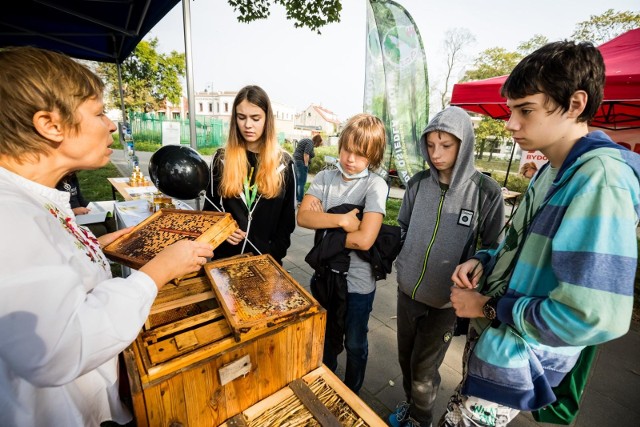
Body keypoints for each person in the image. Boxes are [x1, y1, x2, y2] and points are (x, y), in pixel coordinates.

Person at [0, 46, 214, 427]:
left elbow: (43, 269)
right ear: (51, 125)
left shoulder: (26, 200)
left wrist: (97, 247)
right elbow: (57, 349)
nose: (112, 124)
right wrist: (159, 270)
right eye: (99, 113)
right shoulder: (9, 214)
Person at [442, 40, 640, 426]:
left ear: (576, 104)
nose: (511, 123)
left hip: (520, 353)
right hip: (499, 346)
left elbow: (593, 316)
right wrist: (483, 261)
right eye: (511, 110)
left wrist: (486, 306)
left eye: (526, 110)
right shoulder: (553, 168)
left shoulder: (601, 181)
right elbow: (519, 246)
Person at [390, 107, 505, 427]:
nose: (436, 153)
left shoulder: (486, 191)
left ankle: (420, 418)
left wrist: (478, 261)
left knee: (424, 371)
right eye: (430, 145)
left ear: (464, 144)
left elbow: (494, 246)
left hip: (446, 302)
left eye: (446, 145)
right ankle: (411, 406)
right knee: (405, 361)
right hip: (407, 291)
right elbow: (402, 226)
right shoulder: (416, 183)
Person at [297, 113, 388, 395]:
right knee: (325, 339)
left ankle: (352, 393)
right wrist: (342, 221)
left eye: (361, 154)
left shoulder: (375, 185)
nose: (351, 159)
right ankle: (325, 387)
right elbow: (303, 218)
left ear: (372, 156)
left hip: (358, 285)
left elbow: (365, 240)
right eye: (348, 149)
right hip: (324, 277)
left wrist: (325, 227)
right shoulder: (325, 177)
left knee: (355, 343)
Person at [203, 85, 296, 265]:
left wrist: (273, 254)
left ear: (267, 119)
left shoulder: (284, 163)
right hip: (225, 260)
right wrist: (223, 231)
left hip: (266, 262)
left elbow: (287, 221)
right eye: (241, 117)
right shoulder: (221, 159)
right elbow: (210, 209)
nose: (248, 125)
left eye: (255, 118)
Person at [56, 171, 116, 236]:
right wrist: (74, 211)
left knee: (112, 218)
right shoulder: (53, 183)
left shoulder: (72, 177)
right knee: (100, 229)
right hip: (69, 218)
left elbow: (80, 199)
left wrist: (93, 207)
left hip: (82, 214)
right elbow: (54, 210)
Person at [293, 134, 323, 205]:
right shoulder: (310, 143)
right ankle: (300, 201)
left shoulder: (307, 141)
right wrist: (306, 165)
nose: (318, 146)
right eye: (319, 144)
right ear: (317, 141)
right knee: (302, 183)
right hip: (301, 163)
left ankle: (297, 198)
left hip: (296, 161)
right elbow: (306, 154)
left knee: (298, 181)